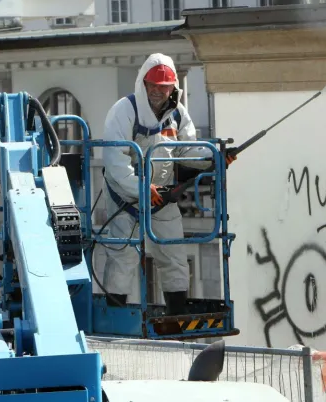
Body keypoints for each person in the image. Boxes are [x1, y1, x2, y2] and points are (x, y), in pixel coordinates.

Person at [100, 53, 235, 316]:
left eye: (164, 87)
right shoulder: (124, 111)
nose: (158, 91)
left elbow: (187, 150)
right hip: (126, 199)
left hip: (161, 197)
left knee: (174, 255)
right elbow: (116, 162)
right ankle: (114, 317)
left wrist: (214, 158)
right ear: (144, 83)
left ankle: (177, 314)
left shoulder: (177, 114)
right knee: (123, 257)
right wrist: (141, 189)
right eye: (154, 85)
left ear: (173, 88)